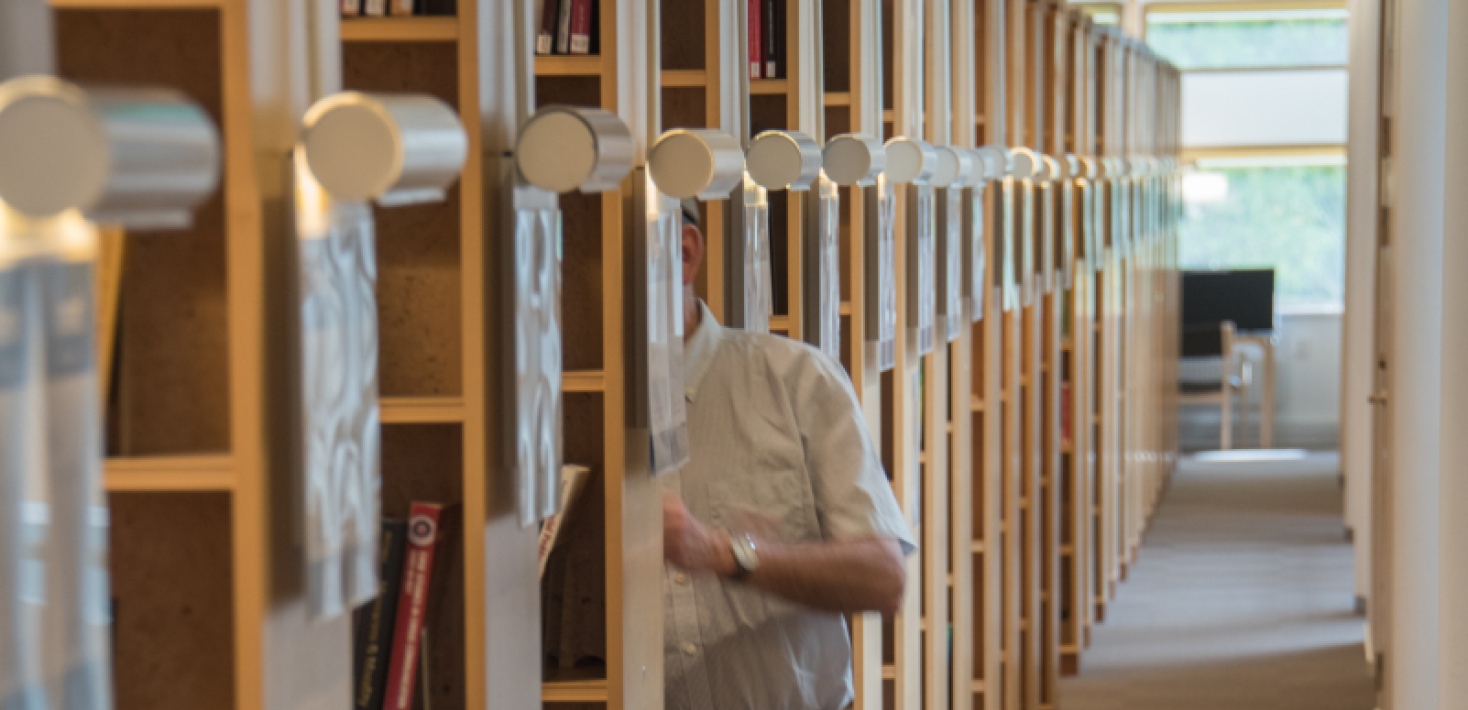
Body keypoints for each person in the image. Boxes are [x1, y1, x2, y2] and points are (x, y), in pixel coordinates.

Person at [661, 198, 916, 710]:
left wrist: (726, 553)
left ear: (683, 254)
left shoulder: (797, 382)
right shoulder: (560, 411)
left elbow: (884, 578)